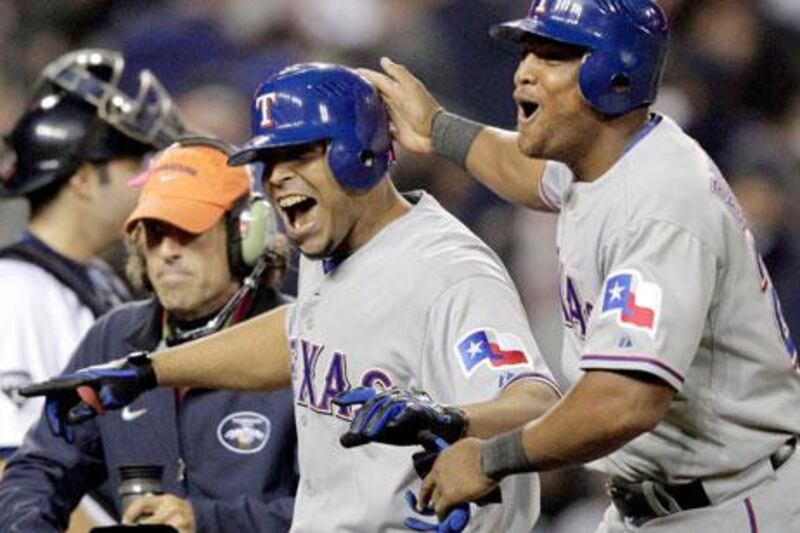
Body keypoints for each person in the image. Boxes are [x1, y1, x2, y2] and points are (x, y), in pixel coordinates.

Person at [21, 63, 561, 532]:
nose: (276, 177)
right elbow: (301, 333)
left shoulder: (447, 272)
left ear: (361, 152)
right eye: (270, 160)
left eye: (297, 154)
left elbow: (533, 404)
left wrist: (453, 419)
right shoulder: (341, 252)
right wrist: (149, 371)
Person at [352, 0, 800, 531]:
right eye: (526, 52)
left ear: (613, 74)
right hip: (663, 499)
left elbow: (622, 403)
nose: (524, 70)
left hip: (732, 506)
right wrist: (439, 129)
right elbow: (525, 169)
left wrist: (488, 458)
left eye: (552, 55)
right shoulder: (606, 156)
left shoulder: (660, 206)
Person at [0, 137, 298, 532]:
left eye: (187, 229)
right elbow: (40, 468)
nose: (168, 250)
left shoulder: (299, 338)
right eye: (155, 231)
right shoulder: (113, 338)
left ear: (245, 236)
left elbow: (351, 510)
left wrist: (207, 522)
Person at [0, 48, 187, 459]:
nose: (145, 178)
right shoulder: (15, 290)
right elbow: (11, 470)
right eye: (132, 162)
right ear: (83, 179)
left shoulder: (98, 277)